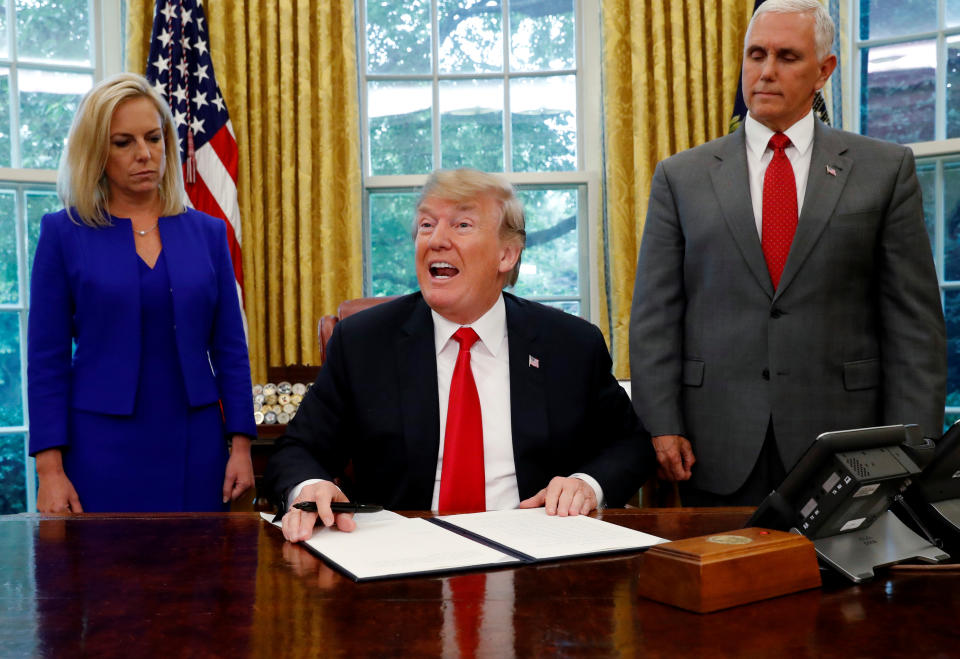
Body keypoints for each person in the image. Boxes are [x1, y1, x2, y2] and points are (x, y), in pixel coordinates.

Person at [629, 0, 946, 506]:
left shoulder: (884, 169)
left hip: (848, 445)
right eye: (756, 54)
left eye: (787, 57)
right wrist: (660, 423)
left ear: (824, 71)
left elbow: (913, 324)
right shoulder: (680, 176)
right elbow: (654, 316)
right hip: (714, 444)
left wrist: (914, 441)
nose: (766, 71)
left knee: (842, 586)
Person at [266, 168, 655, 541]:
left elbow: (631, 446)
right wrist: (312, 485)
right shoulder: (363, 342)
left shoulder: (570, 344)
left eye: (462, 225)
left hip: (538, 555)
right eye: (426, 224)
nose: (436, 239)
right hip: (399, 563)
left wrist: (585, 486)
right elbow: (297, 448)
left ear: (506, 255)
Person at [28, 73, 257, 512]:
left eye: (154, 138)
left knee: (199, 575)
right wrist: (50, 471)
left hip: (197, 443)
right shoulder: (63, 233)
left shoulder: (208, 233)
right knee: (104, 578)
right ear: (97, 151)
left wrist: (242, 447)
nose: (144, 154)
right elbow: (46, 359)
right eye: (123, 142)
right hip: (98, 448)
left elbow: (230, 348)